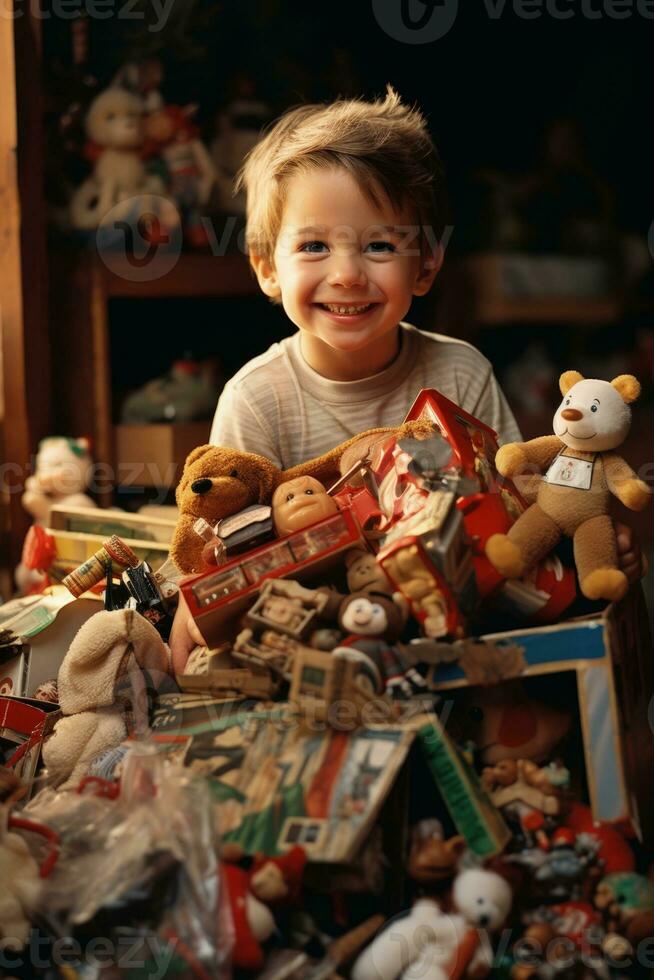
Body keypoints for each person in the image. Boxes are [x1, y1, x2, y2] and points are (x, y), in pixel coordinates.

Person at [170, 87, 641, 671]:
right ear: (268, 266)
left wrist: (582, 542)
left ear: (425, 266)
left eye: (379, 246)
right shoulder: (256, 398)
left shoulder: (459, 371)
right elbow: (227, 542)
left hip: (458, 618)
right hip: (318, 637)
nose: (346, 275)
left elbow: (520, 500)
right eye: (314, 245)